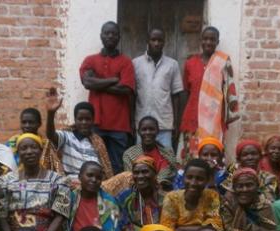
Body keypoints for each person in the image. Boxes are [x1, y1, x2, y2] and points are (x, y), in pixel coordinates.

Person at [0, 133, 70, 231]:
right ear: (18, 152)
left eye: (33, 147)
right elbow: (1, 214)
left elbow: (60, 215)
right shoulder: (5, 181)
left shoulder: (58, 180)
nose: (29, 151)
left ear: (41, 150)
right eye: (24, 148)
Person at [80, 21, 135, 174]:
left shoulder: (126, 62)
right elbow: (87, 82)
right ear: (101, 36)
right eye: (107, 33)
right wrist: (113, 80)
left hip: (120, 125)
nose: (110, 36)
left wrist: (98, 83)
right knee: (95, 165)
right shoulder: (90, 60)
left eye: (114, 33)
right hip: (96, 123)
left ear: (119, 37)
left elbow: (125, 89)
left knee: (117, 167)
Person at [180, 26, 239, 159]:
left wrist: (227, 115)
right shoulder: (190, 63)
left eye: (212, 39)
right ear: (201, 40)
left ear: (217, 42)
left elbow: (229, 89)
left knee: (213, 158)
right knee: (192, 158)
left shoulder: (223, 61)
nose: (208, 42)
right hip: (193, 118)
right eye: (205, 39)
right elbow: (186, 92)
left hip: (214, 120)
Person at [161, 159, 223, 231]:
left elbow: (214, 227)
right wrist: (201, 229)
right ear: (183, 177)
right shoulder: (172, 197)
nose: (193, 183)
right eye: (189, 177)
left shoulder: (212, 196)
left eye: (199, 179)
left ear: (207, 180)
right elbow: (167, 230)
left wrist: (180, 228)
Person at [132, 28, 183, 150]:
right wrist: (131, 121)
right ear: (147, 41)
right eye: (153, 40)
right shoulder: (135, 63)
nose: (156, 43)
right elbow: (132, 95)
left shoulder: (172, 64)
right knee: (141, 158)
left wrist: (176, 123)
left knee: (166, 157)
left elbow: (176, 95)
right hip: (142, 125)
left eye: (160, 40)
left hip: (164, 124)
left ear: (164, 42)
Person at [45, 90, 114, 178]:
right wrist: (51, 114)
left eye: (87, 119)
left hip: (93, 182)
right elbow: (50, 135)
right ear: (75, 120)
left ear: (93, 120)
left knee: (126, 177)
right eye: (80, 119)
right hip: (71, 182)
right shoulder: (67, 136)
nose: (84, 122)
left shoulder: (98, 143)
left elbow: (105, 171)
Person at [63, 161, 121, 231]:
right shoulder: (70, 198)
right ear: (80, 177)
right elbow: (64, 230)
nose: (94, 180)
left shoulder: (109, 202)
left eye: (98, 178)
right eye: (89, 175)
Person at [222, 167, 277, 231]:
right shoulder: (229, 205)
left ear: (257, 186)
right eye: (240, 186)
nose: (245, 190)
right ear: (234, 188)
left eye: (249, 185)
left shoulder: (266, 206)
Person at [117, 155, 165, 231]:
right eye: (136, 173)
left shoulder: (165, 197)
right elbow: (123, 225)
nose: (140, 176)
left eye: (145, 172)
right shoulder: (125, 197)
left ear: (155, 174)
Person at [122, 116, 178, 189]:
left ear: (157, 131)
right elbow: (130, 178)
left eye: (151, 129)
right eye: (144, 129)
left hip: (164, 190)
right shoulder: (129, 154)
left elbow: (171, 174)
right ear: (139, 132)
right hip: (138, 191)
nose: (148, 132)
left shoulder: (168, 153)